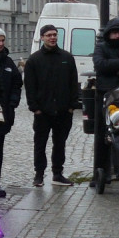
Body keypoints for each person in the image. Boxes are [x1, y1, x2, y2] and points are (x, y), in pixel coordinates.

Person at [24, 24, 80, 188]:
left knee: (60, 143)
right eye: (48, 35)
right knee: (40, 144)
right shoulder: (34, 60)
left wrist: (71, 106)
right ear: (42, 37)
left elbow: (73, 83)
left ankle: (57, 173)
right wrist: (35, 108)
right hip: (43, 112)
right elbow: (30, 86)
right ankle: (39, 174)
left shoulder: (67, 58)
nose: (52, 37)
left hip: (63, 110)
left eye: (54, 34)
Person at [0, 26, 23, 198]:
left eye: (2, 40)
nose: (0, 44)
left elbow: (17, 83)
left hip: (4, 112)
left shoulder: (8, 63)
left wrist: (13, 102)